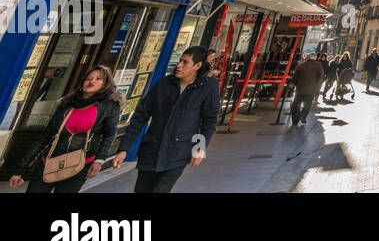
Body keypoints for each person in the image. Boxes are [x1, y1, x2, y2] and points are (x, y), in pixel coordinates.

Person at [111, 46, 220, 193]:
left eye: (185, 62)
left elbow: (209, 120)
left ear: (197, 66)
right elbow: (140, 116)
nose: (179, 65)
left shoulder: (208, 86)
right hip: (151, 150)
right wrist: (124, 149)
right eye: (180, 61)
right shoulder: (163, 84)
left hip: (178, 152)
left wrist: (199, 149)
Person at [9, 65, 122, 194]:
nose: (92, 81)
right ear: (82, 83)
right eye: (88, 78)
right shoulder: (67, 104)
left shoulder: (109, 106)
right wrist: (20, 170)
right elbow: (45, 137)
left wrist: (99, 160)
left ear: (105, 85)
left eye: (98, 79)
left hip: (80, 164)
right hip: (51, 160)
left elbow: (109, 134)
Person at [290, 53, 326, 125]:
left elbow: (295, 77)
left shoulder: (301, 65)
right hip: (311, 90)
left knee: (296, 105)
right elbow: (321, 76)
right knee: (307, 105)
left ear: (308, 57)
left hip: (300, 89)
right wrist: (316, 86)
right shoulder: (318, 65)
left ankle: (295, 120)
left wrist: (293, 84)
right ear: (315, 58)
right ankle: (303, 116)